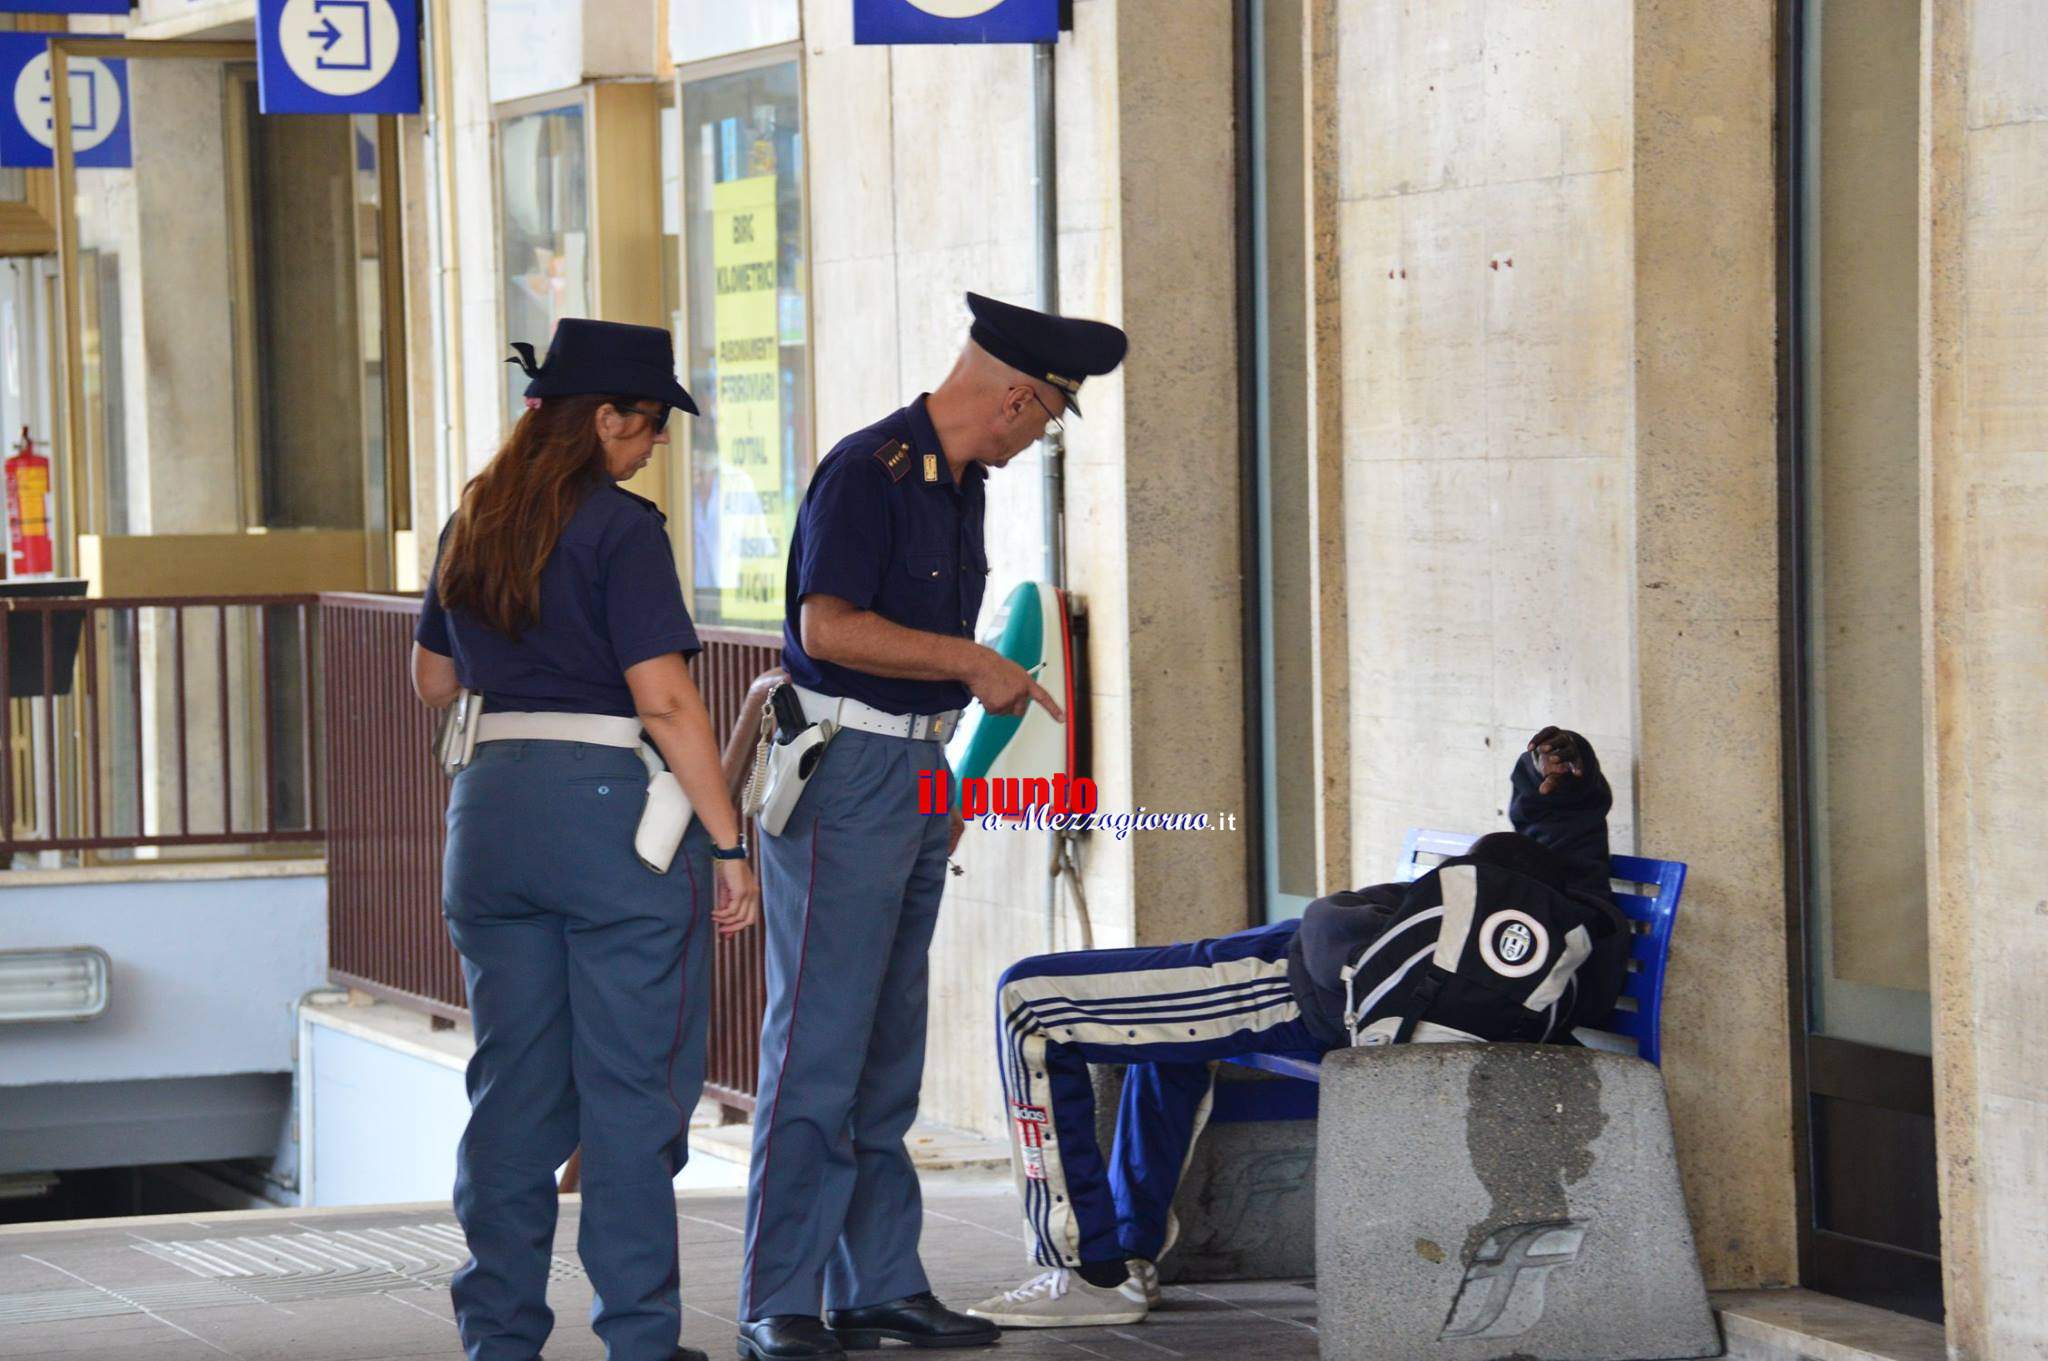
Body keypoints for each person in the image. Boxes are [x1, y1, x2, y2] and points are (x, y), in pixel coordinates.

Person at [736, 294, 1128, 1361]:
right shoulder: (868, 471)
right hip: (845, 768)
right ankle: (778, 1295)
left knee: (883, 1055)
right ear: (1013, 393)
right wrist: (969, 662)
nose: (1038, 432)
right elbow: (824, 624)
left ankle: (877, 1286)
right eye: (1044, 414)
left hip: (914, 769)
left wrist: (949, 782)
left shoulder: (961, 489)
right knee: (816, 1046)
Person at [965, 727, 1628, 1328]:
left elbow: (1326, 928)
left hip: (1289, 988)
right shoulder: (1575, 935)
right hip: (1314, 984)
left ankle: (1088, 1271)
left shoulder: (1462, 920)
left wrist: (1360, 907)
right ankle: (1130, 1250)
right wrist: (1561, 790)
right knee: (1163, 1040)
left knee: (1031, 1000)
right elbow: (1572, 868)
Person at [411, 318, 761, 1361]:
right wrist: (728, 839)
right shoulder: (620, 528)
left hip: (489, 810)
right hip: (609, 817)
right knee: (628, 1087)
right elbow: (666, 701)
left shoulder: (472, 519)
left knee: (512, 1086)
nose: (652, 443)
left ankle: (500, 1337)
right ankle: (640, 1340)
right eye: (646, 424)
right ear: (601, 419)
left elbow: (434, 679)